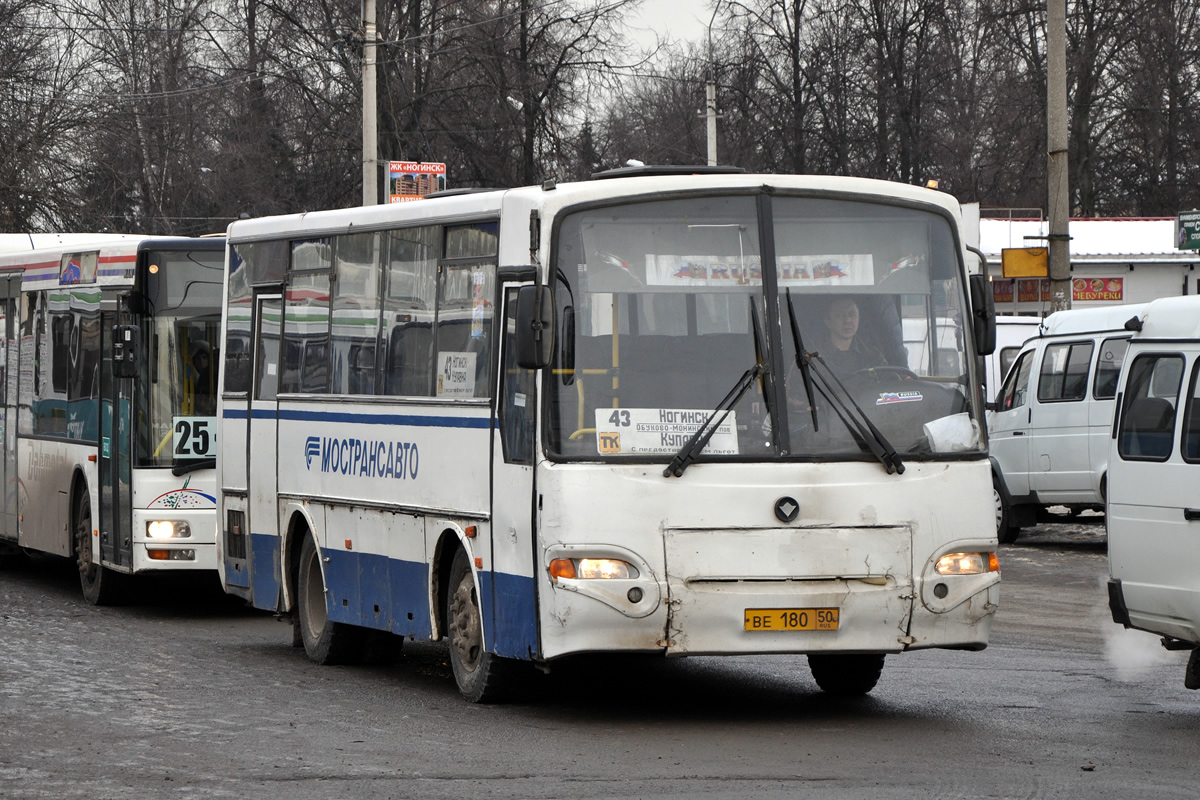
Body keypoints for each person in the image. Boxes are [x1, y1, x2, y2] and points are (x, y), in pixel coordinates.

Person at [814, 296, 890, 375]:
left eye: (852, 314)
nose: (847, 320)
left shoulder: (874, 357)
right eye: (839, 315)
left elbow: (889, 383)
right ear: (828, 322)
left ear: (859, 319)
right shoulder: (813, 359)